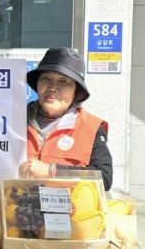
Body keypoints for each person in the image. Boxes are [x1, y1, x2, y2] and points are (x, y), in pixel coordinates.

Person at [18, 47, 113, 190]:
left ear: (76, 91)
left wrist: (52, 171)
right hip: (15, 203)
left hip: (69, 204)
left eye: (64, 82)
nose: (52, 87)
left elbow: (104, 178)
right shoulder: (11, 120)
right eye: (46, 79)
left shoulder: (91, 127)